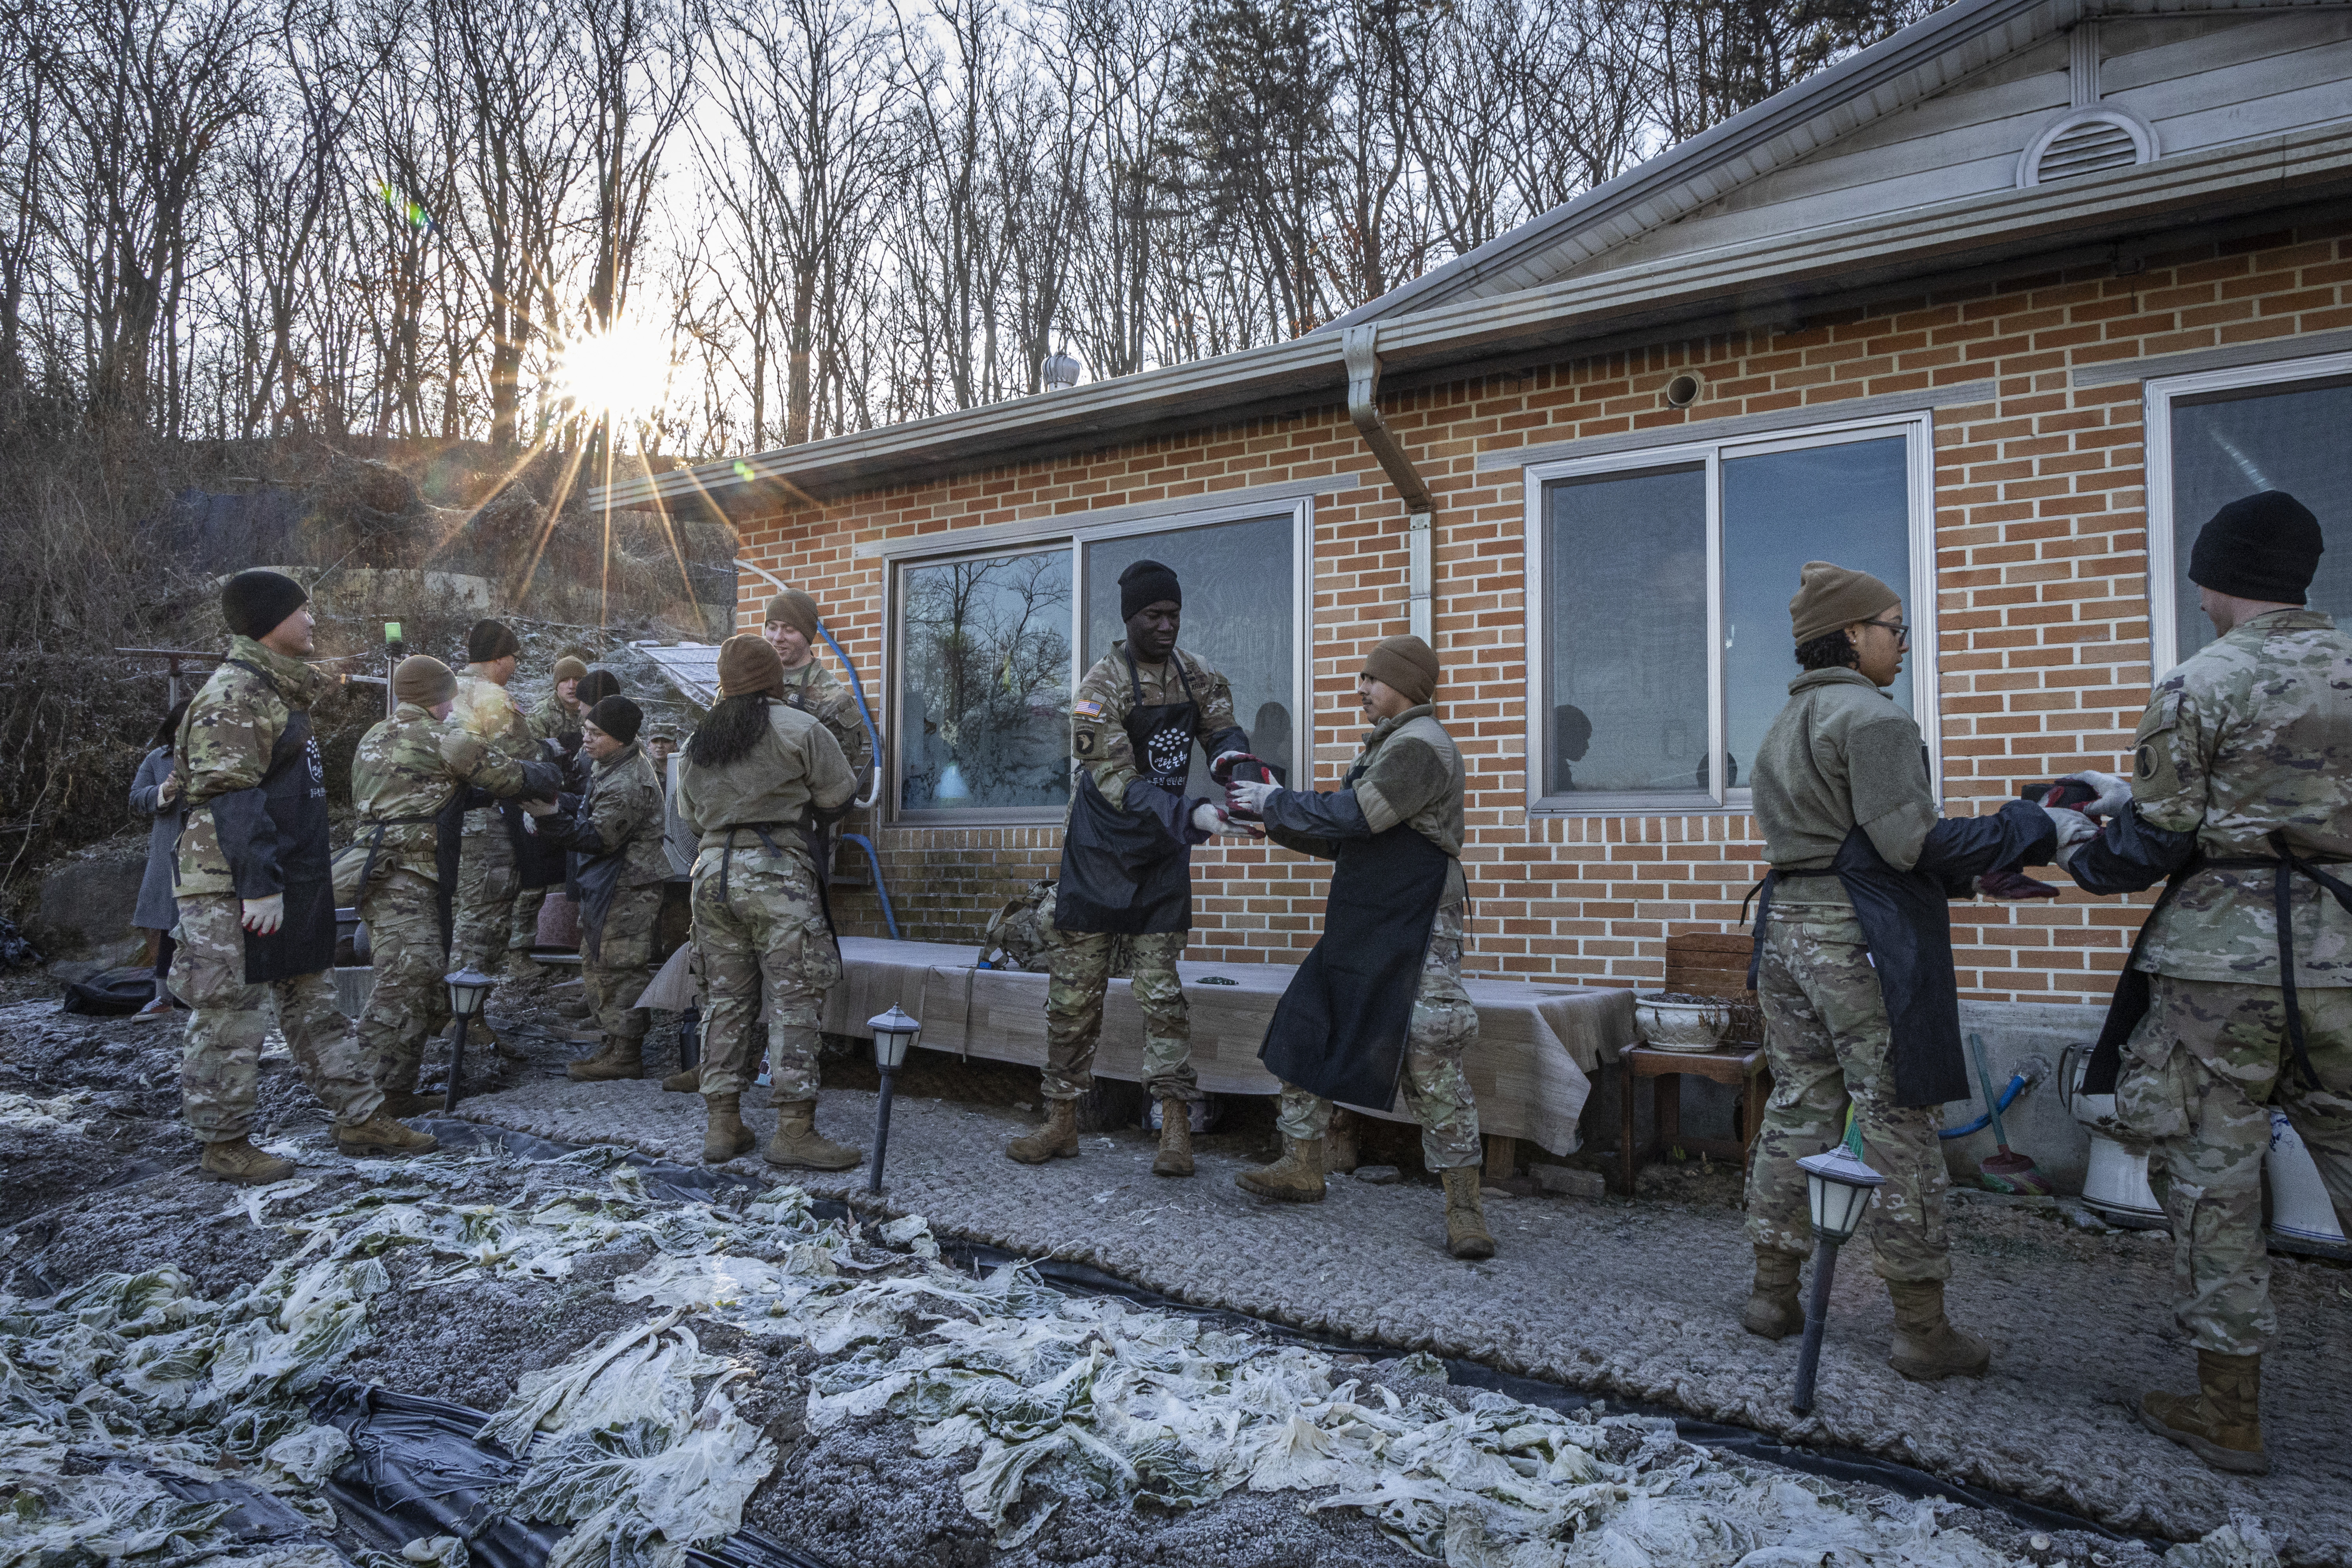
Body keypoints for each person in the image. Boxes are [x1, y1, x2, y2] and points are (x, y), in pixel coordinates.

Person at [2051, 492, 2351, 1477]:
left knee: (2212, 1173)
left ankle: (2230, 1410)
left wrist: (2085, 847)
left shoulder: (2201, 679)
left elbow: (2162, 835)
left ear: (2216, 578)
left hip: (2220, 969)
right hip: (2346, 950)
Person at [1738, 561, 2057, 1378]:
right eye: (1895, 628)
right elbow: (1909, 842)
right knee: (1897, 1114)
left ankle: (1771, 1291)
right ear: (1853, 634)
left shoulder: (1783, 722)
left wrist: (1972, 866)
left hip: (1787, 932)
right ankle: (1920, 1326)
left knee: (1799, 1101)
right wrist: (2024, 826)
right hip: (1856, 936)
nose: (1903, 644)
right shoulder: (1871, 718)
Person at [1227, 635, 1493, 1257]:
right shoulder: (1384, 747)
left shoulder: (1421, 749)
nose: (1360, 689)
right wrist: (1266, 818)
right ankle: (1301, 1164)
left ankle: (1464, 1206)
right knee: (1308, 1021)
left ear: (1407, 684)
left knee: (1429, 1048)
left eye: (1372, 678)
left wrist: (1278, 801)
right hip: (1365, 913)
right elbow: (1338, 838)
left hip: (1417, 917)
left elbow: (1354, 817)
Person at [172, 570, 431, 1183]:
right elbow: (229, 793)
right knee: (230, 1011)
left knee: (311, 1005)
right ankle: (224, 1144)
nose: (314, 620)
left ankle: (360, 1117)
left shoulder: (276, 692)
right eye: (303, 610)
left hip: (286, 876)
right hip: (232, 883)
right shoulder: (234, 694)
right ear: (270, 620)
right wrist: (258, 884)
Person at [1005, 559, 1258, 1175]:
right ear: (1130, 619)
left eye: (1173, 614)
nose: (1167, 625)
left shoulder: (1197, 676)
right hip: (1098, 853)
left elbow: (1223, 732)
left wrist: (1241, 775)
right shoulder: (1098, 689)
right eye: (1154, 615)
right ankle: (1061, 1120)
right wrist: (1190, 813)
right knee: (1072, 998)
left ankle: (1175, 1127)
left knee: (1162, 995)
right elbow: (1115, 778)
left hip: (1160, 862)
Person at [674, 635, 860, 1166]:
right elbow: (837, 795)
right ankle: (794, 1131)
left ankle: (723, 1124)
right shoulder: (800, 727)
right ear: (775, 679)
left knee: (724, 999)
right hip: (778, 872)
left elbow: (688, 816)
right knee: (793, 998)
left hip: (711, 875)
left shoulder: (698, 742)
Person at [349, 656, 561, 1116]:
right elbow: (510, 775)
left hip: (380, 866)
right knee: (408, 977)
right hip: (408, 869)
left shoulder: (376, 734)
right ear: (441, 697)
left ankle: (396, 1092)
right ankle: (366, 1106)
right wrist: (551, 771)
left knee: (420, 978)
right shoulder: (443, 737)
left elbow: (429, 790)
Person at [529, 695, 670, 1082]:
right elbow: (591, 807)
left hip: (627, 885)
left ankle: (627, 1054)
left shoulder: (628, 780)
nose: (586, 739)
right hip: (611, 881)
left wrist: (549, 817)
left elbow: (596, 836)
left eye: (596, 733)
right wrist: (559, 802)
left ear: (620, 738)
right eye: (586, 731)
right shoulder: (610, 764)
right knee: (598, 961)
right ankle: (613, 1041)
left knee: (620, 965)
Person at [761, 590, 874, 802]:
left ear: (807, 634)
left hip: (796, 818)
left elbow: (835, 781)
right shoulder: (748, 679)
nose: (778, 638)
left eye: (789, 629)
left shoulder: (833, 700)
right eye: (772, 627)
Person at [512, 653, 590, 957]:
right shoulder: (541, 716)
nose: (572, 686)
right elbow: (526, 759)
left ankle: (569, 942)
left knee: (573, 876)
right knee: (534, 878)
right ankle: (519, 951)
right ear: (556, 685)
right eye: (565, 680)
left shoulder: (590, 713)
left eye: (578, 680)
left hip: (578, 800)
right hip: (545, 798)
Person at [129, 700, 190, 1018]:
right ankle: (163, 996)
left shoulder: (220, 754)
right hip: (170, 849)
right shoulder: (157, 758)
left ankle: (206, 994)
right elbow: (136, 797)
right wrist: (163, 792)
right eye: (181, 728)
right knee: (168, 920)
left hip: (213, 849)